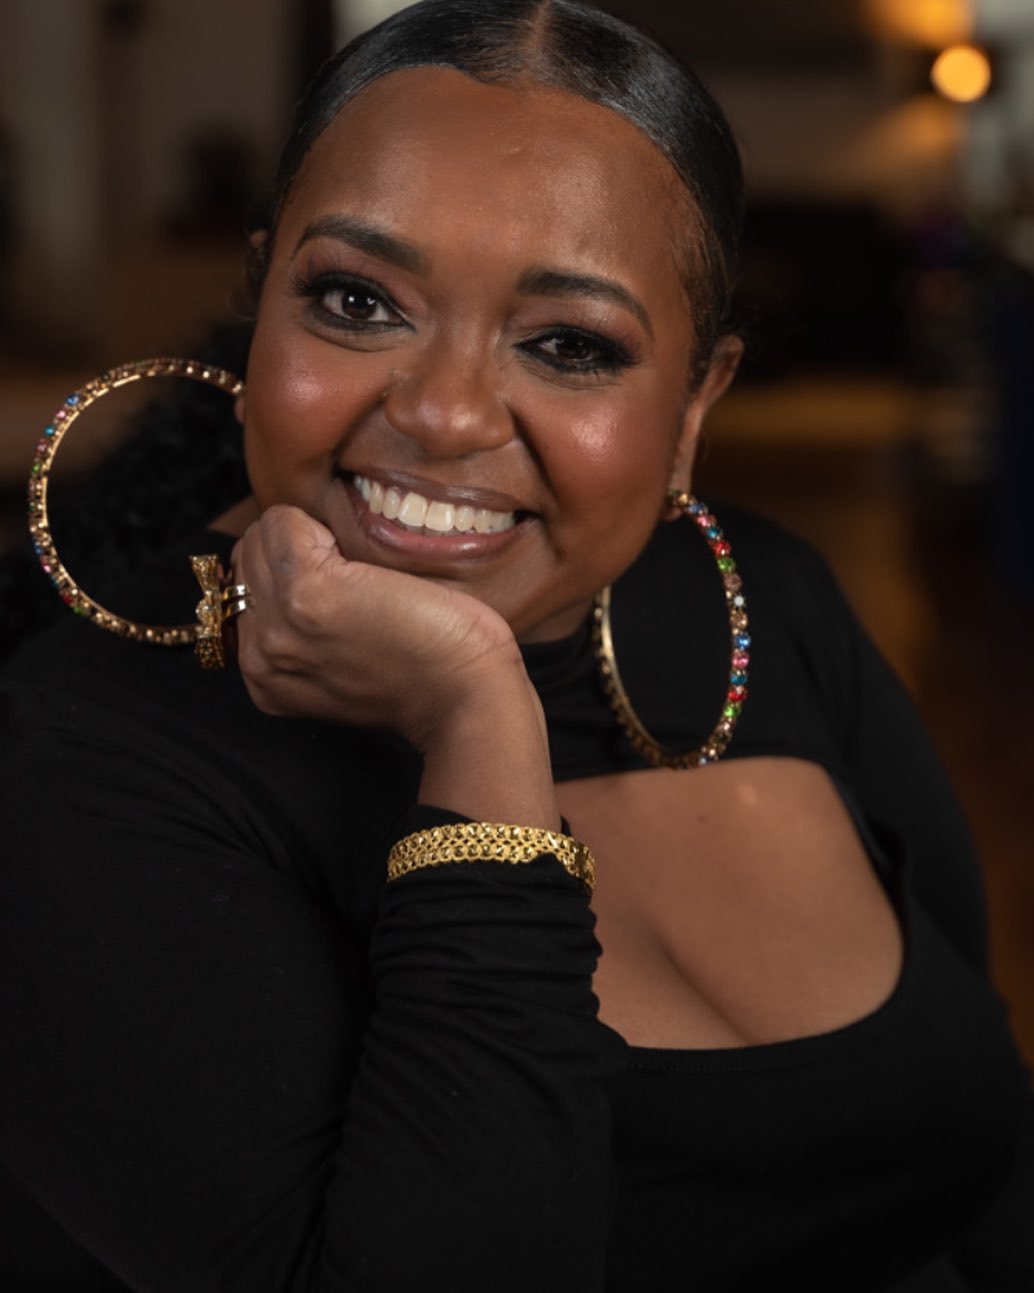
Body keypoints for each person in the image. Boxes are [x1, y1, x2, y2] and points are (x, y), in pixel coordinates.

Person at [1, 1, 1031, 1289]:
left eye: (568, 345)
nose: (443, 415)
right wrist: (478, 719)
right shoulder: (74, 758)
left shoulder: (762, 599)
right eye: (356, 301)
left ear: (696, 403)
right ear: (264, 304)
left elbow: (989, 1158)